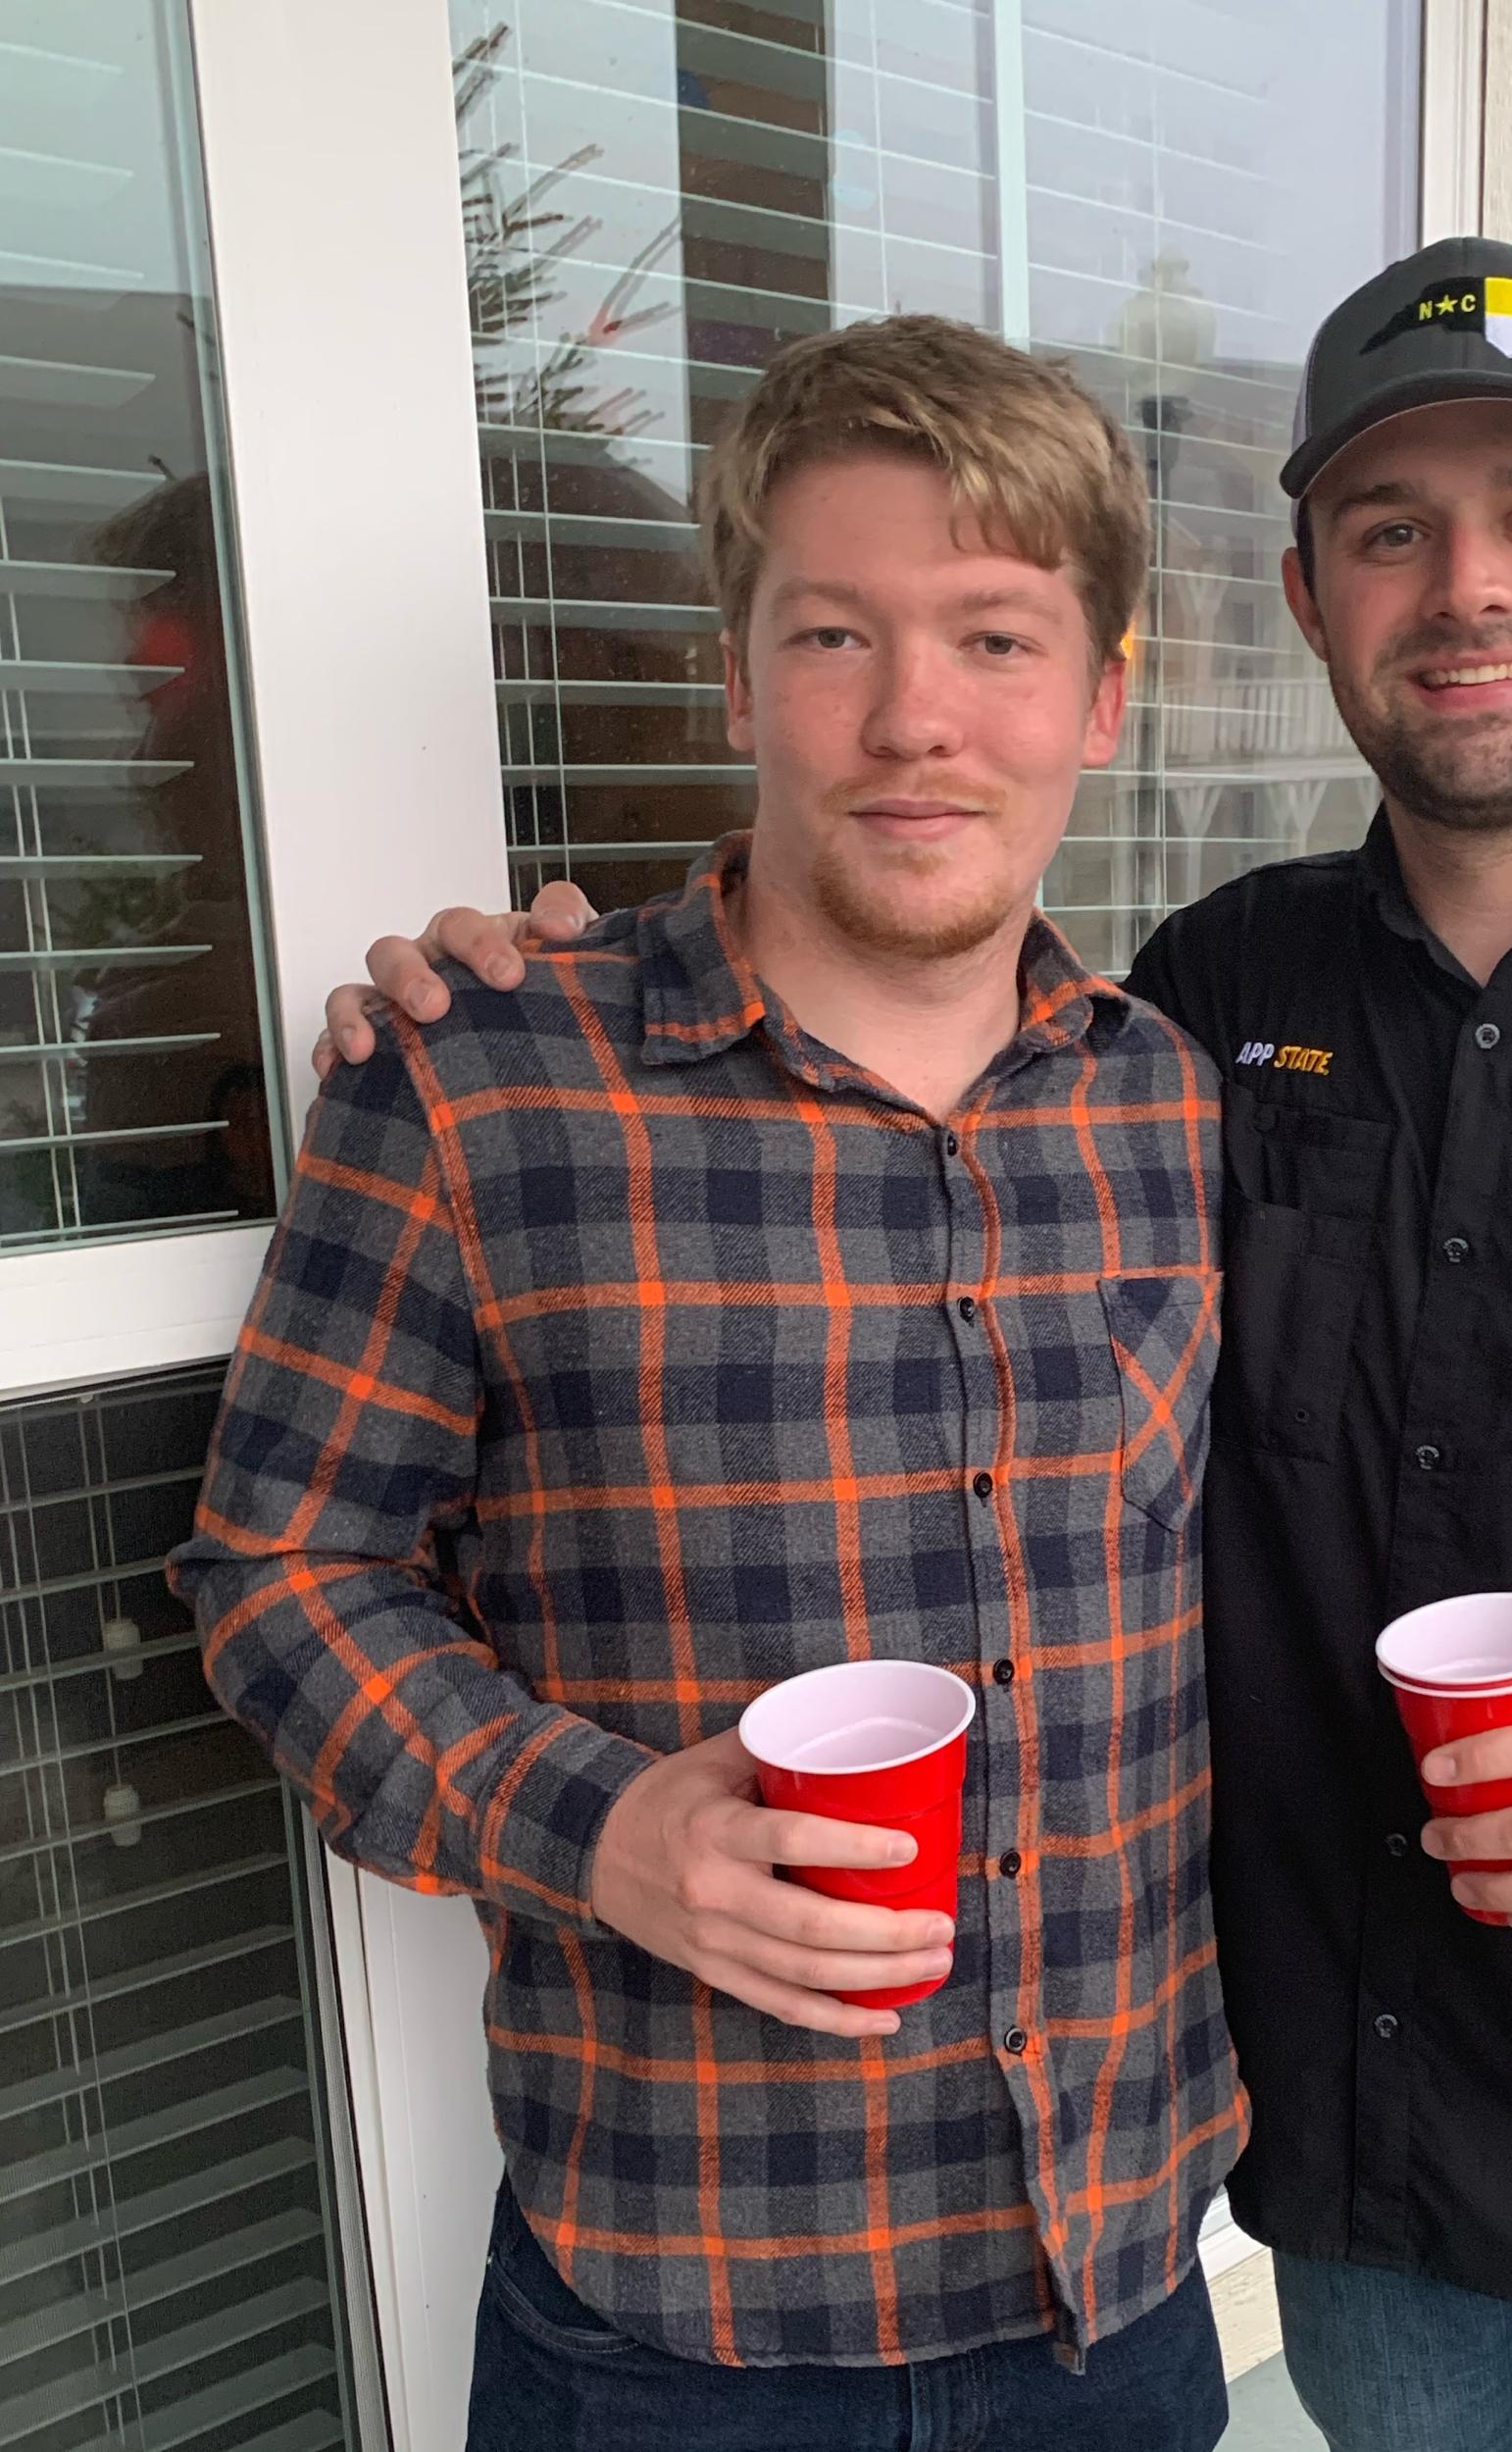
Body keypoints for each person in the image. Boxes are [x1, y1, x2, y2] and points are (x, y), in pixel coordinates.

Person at [318, 240, 1512, 2452]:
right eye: (1391, 528)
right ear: (1307, 597)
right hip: (1361, 2151)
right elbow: (860, 1014)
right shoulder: (1198, 1015)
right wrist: (530, 990)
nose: (1466, 586)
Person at [171, 318, 1243, 2451]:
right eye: (835, 633)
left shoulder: (1172, 1107)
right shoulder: (480, 1085)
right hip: (679, 2323)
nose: (914, 716)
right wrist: (596, 1829)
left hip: (1115, 2290)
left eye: (997, 639)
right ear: (738, 680)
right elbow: (279, 1571)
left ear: (1102, 700)